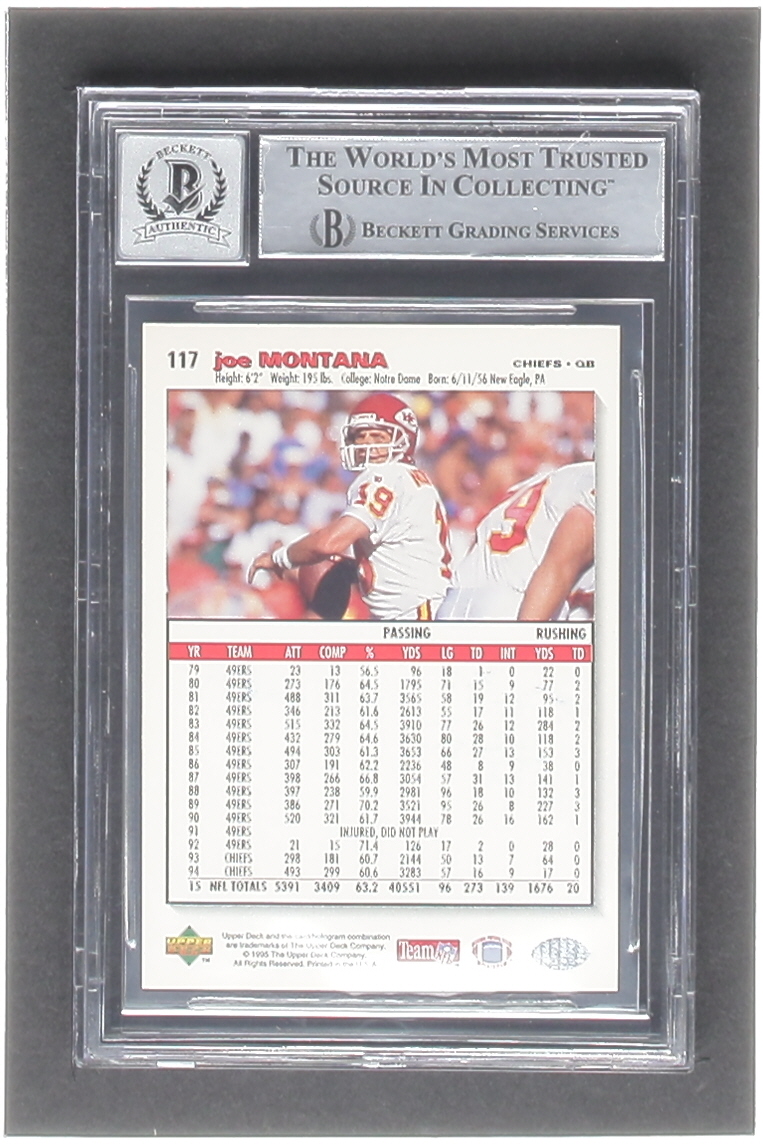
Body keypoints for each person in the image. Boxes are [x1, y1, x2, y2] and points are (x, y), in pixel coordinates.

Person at [247, 394, 453, 621]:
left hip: (415, 616)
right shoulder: (411, 478)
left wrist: (280, 558)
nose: (366, 443)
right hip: (423, 608)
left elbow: (328, 544)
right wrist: (357, 570)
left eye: (377, 436)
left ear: (403, 440)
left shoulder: (386, 476)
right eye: (360, 436)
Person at [436, 461, 594, 622]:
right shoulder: (596, 482)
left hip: (455, 600)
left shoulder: (542, 480)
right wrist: (526, 631)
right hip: (517, 605)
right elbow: (559, 568)